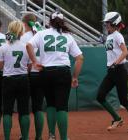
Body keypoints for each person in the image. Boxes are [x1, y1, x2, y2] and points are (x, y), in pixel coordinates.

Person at [26, 11, 84, 140]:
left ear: (49, 22)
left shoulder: (41, 33)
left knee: (50, 104)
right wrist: (74, 77)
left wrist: (35, 62)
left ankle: (51, 135)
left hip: (46, 72)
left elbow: (28, 45)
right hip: (63, 72)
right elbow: (80, 58)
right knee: (62, 106)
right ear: (63, 22)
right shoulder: (68, 36)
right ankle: (63, 137)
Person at [97, 12, 128, 133]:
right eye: (106, 23)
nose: (106, 25)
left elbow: (125, 52)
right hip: (111, 72)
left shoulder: (117, 35)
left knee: (123, 100)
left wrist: (115, 63)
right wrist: (104, 42)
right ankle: (117, 119)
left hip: (119, 71)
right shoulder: (110, 36)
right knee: (100, 96)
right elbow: (114, 50)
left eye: (108, 23)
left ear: (114, 23)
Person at [0, 21, 37, 140]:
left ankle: (7, 138)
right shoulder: (26, 45)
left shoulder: (3, 47)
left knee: (7, 111)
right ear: (21, 32)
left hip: (8, 79)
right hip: (23, 79)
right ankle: (25, 137)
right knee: (24, 111)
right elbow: (30, 66)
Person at [21, 13, 44, 140]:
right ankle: (39, 137)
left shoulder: (24, 37)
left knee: (24, 107)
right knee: (38, 107)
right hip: (42, 73)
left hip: (28, 73)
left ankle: (24, 136)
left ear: (24, 24)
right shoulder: (43, 33)